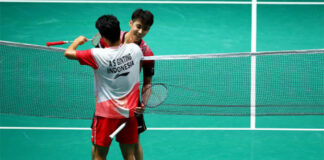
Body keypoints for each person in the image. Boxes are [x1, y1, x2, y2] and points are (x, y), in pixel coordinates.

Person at [64, 15, 144, 160]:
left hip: (106, 116)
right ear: (119, 30)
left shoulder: (96, 55)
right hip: (129, 115)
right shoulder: (136, 50)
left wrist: (76, 42)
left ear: (103, 36)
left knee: (99, 156)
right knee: (129, 156)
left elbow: (68, 53)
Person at [97, 9, 154, 160]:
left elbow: (148, 82)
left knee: (134, 144)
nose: (141, 31)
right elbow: (98, 47)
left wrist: (144, 104)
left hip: (132, 103)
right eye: (139, 26)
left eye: (146, 28)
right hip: (107, 100)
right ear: (131, 23)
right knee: (98, 146)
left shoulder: (146, 53)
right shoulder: (112, 36)